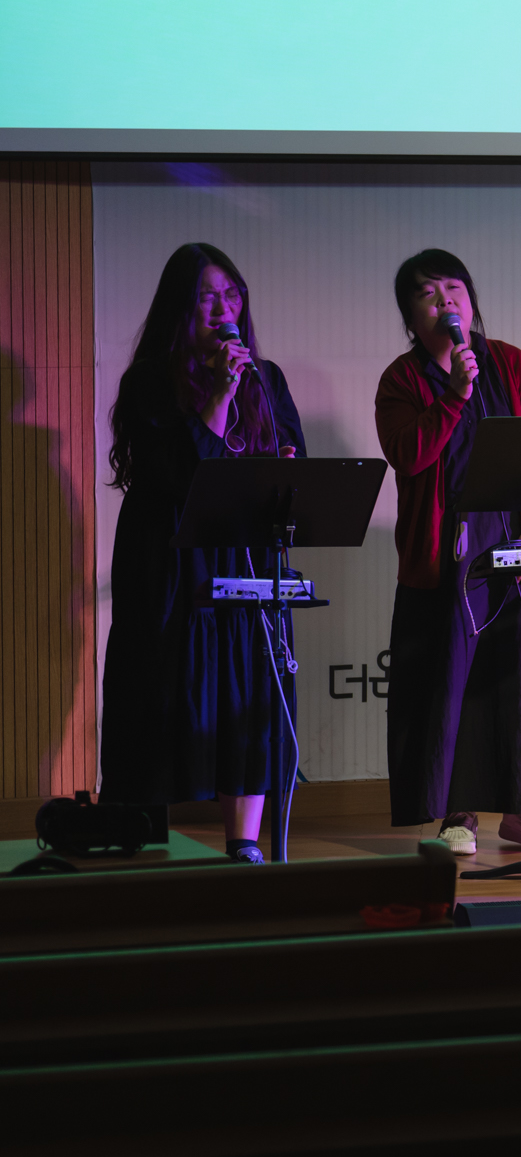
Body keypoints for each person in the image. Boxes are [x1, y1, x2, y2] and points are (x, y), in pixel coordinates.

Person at [100, 244, 307, 861]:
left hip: (244, 553)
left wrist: (285, 470)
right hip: (171, 558)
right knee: (162, 687)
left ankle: (244, 843)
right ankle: (139, 839)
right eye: (207, 297)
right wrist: (218, 392)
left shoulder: (266, 379)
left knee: (250, 687)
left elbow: (294, 457)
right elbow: (181, 477)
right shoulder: (149, 381)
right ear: (180, 308)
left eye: (231, 295)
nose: (223, 310)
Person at [374, 249, 521, 856]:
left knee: (518, 679)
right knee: (449, 684)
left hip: (513, 543)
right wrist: (453, 395)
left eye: (454, 288)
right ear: (411, 316)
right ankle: (458, 814)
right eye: (428, 293)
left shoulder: (510, 363)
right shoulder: (401, 381)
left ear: (471, 301)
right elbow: (410, 457)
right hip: (444, 553)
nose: (445, 301)